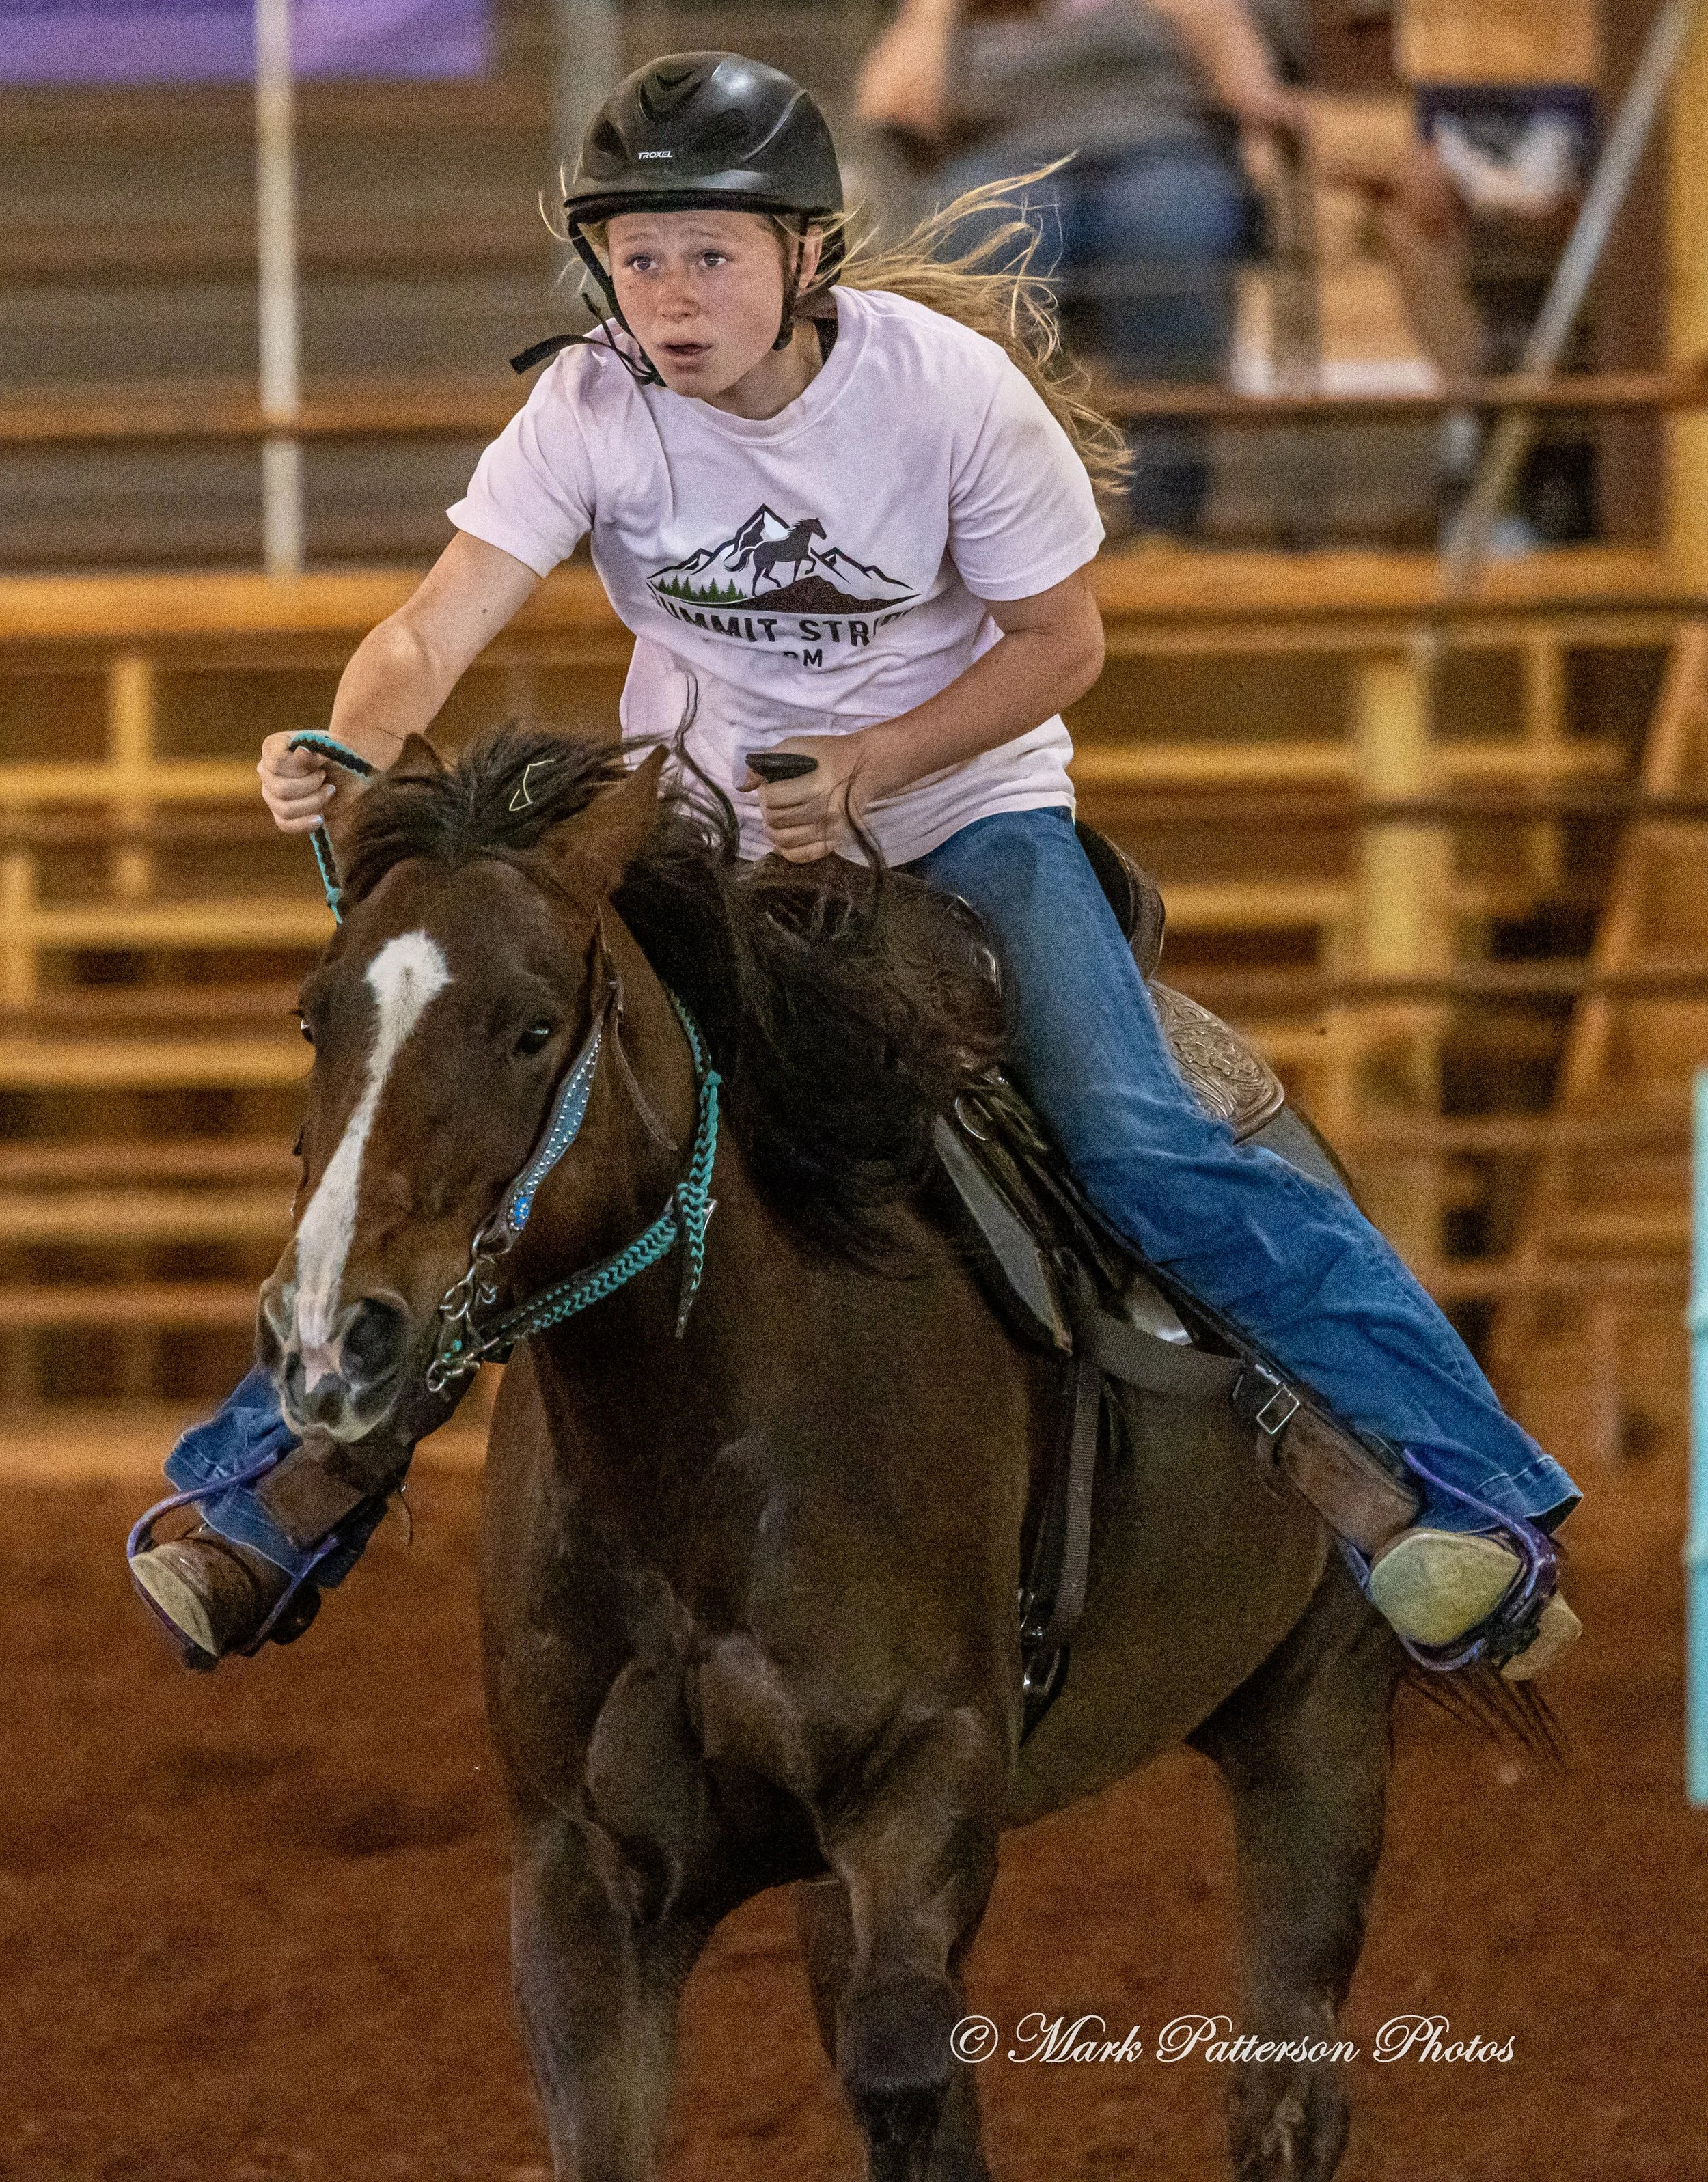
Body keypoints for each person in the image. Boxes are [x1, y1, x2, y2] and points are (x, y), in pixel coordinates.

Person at [128, 51, 1579, 1681]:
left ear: (803, 257)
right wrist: (350, 752)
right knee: (499, 1099)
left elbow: (1059, 644)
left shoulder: (946, 397)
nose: (667, 294)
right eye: (638, 254)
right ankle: (269, 1496)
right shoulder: (590, 404)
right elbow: (426, 630)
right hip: (696, 837)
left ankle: (1473, 1489)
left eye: (709, 254)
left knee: (1133, 1133)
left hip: (968, 820)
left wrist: (878, 765)